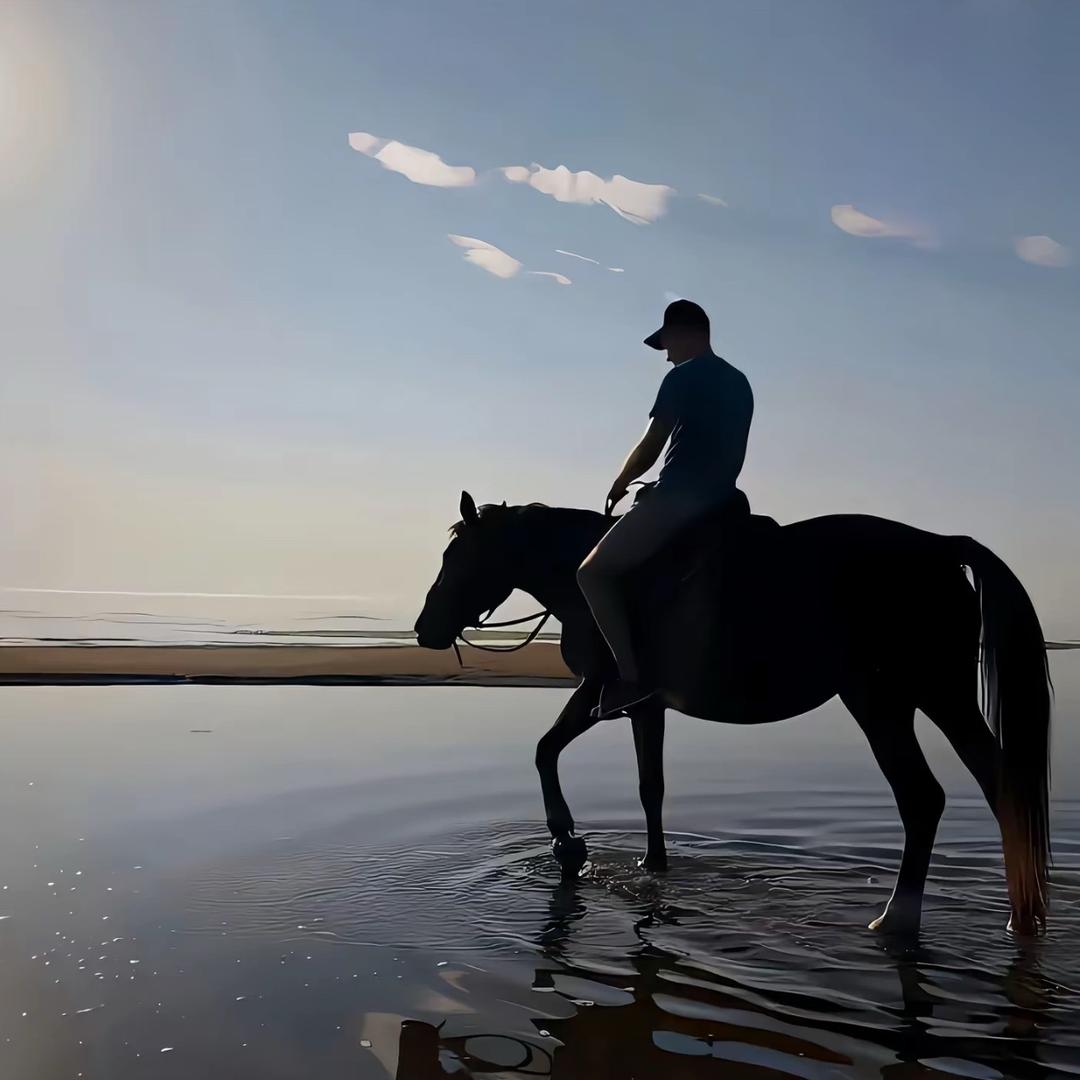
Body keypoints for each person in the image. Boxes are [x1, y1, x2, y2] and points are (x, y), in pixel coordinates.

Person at [577, 299, 754, 719]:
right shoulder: (740, 381)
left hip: (679, 500)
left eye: (668, 343)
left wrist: (620, 482)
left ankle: (630, 680)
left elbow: (650, 445)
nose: (667, 355)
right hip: (726, 501)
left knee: (592, 573)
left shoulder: (683, 377)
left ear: (684, 334)